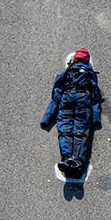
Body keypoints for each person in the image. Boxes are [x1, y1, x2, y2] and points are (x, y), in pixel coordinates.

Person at [41, 49, 103, 178]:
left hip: (66, 99)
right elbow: (95, 96)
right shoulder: (90, 74)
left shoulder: (66, 73)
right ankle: (78, 160)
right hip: (83, 101)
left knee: (65, 129)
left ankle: (67, 157)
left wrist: (48, 117)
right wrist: (96, 118)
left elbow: (56, 95)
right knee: (81, 131)